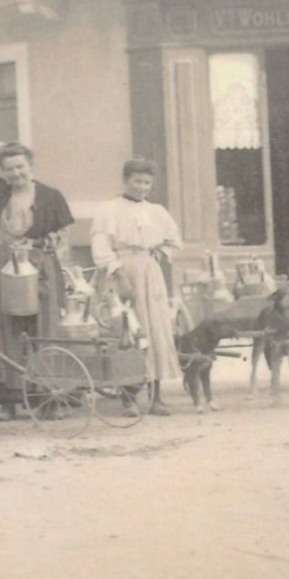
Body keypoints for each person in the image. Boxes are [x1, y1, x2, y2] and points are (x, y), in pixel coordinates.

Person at [0, 141, 75, 419]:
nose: (16, 173)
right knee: (6, 328)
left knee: (44, 327)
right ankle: (9, 399)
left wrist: (45, 246)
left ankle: (48, 398)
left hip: (41, 264)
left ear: (30, 166)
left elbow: (63, 235)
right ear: (2, 171)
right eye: (9, 168)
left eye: (20, 167)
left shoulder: (50, 196)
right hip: (6, 264)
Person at [91, 158, 183, 416]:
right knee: (128, 332)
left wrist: (157, 251)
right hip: (121, 271)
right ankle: (127, 396)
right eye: (137, 181)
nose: (142, 187)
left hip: (149, 272)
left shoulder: (157, 211)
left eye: (147, 183)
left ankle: (155, 396)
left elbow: (174, 241)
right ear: (125, 180)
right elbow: (101, 247)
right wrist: (119, 276)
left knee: (155, 330)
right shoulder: (109, 209)